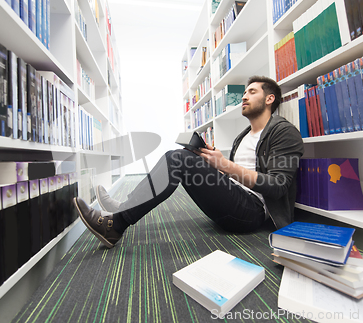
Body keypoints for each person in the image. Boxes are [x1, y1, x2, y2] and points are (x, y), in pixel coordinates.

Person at [74, 76, 304, 248]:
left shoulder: (284, 132)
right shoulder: (242, 136)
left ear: (269, 99)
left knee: (178, 158)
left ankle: (116, 225)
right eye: (244, 92)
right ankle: (123, 208)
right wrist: (212, 160)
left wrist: (224, 165)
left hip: (252, 213)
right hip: (236, 198)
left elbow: (278, 186)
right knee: (180, 156)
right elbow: (237, 175)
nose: (244, 96)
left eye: (252, 92)